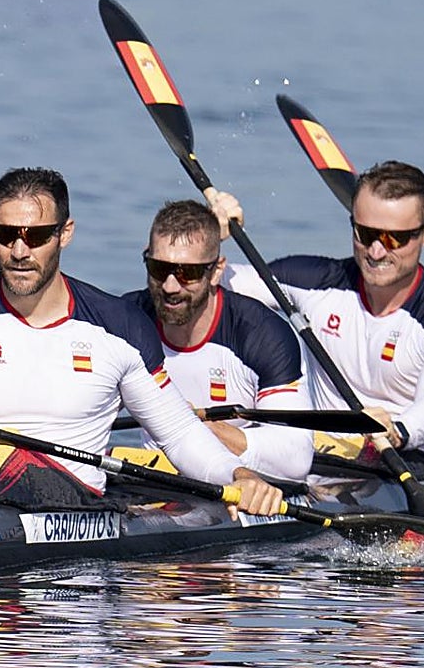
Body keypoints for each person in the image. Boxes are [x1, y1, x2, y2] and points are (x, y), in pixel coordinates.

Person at [0, 166, 283, 517]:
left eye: (36, 236)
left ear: (65, 233)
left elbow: (177, 434)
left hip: (65, 506)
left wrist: (238, 476)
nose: (19, 251)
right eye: (6, 234)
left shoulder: (120, 327)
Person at [221, 161, 424, 462]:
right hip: (329, 463)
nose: (376, 251)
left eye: (394, 238)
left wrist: (399, 430)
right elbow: (204, 288)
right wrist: (212, 235)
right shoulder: (314, 281)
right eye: (366, 233)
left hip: (423, 466)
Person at [123, 199, 314, 482]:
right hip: (155, 482)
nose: (170, 287)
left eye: (188, 273)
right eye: (159, 268)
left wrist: (189, 430)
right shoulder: (126, 321)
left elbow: (295, 457)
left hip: (243, 483)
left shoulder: (261, 334)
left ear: (216, 271)